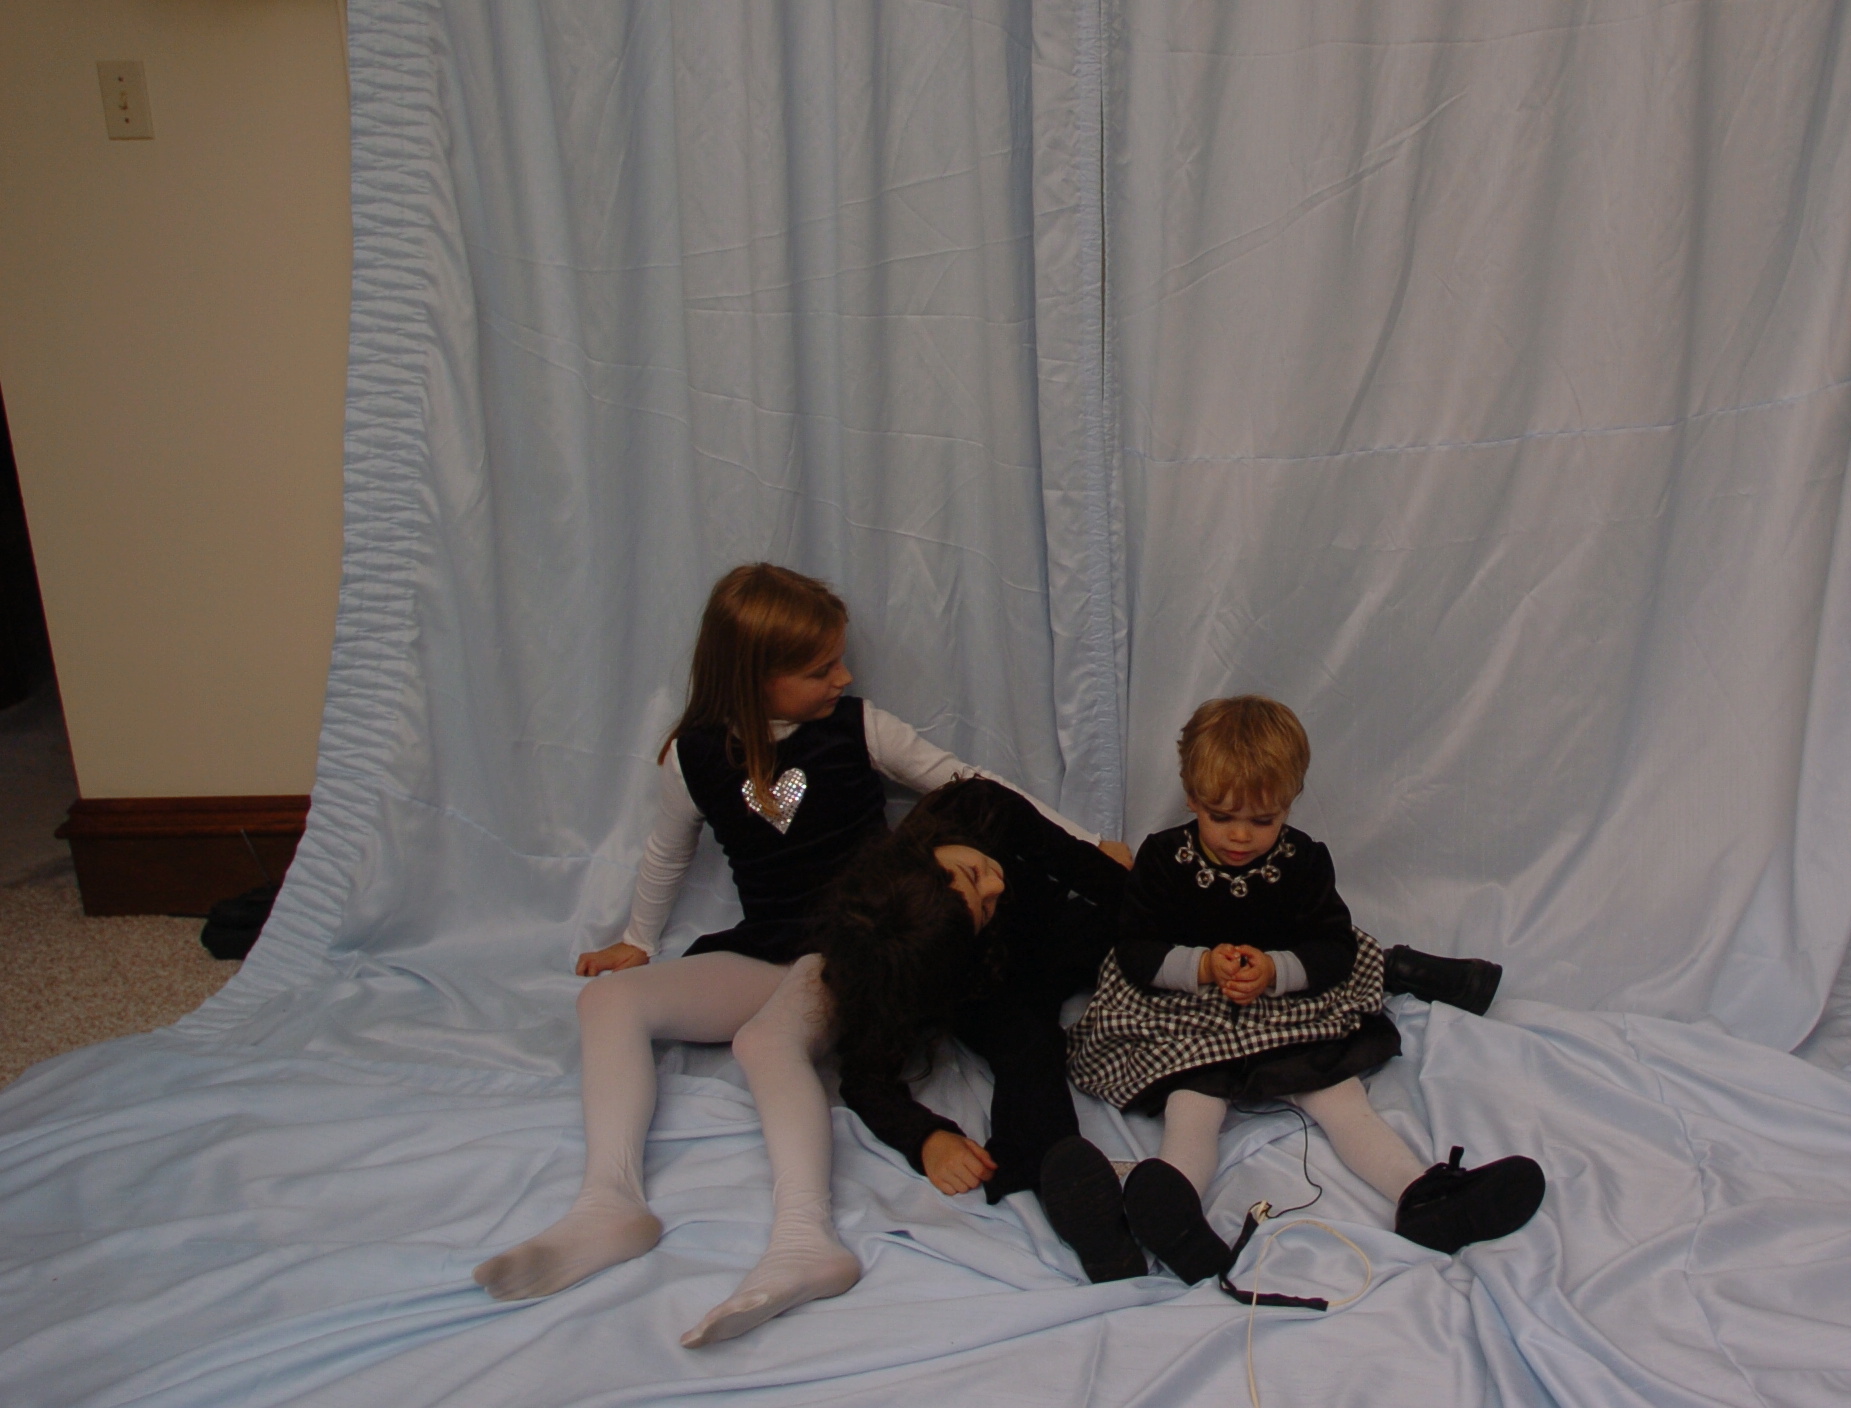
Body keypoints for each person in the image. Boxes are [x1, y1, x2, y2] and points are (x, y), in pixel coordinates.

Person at [471, 563, 1115, 1347]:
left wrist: (1089, 847)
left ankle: (806, 1237)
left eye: (838, 661)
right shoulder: (694, 757)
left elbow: (973, 785)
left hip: (856, 946)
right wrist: (638, 940)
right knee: (606, 1001)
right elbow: (667, 851)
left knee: (766, 1040)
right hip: (768, 946)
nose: (843, 677)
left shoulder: (858, 729)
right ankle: (608, 1201)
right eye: (820, 669)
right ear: (753, 677)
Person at [834, 776, 1512, 1284]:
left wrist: (1150, 900)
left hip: (1066, 929)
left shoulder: (974, 809)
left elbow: (1072, 862)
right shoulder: (912, 960)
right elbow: (864, 1073)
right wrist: (926, 1136)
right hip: (1003, 982)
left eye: (973, 873)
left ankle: (1394, 966)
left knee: (1212, 922)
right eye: (982, 907)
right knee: (1029, 1055)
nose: (994, 887)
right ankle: (1089, 1216)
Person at [1065, 697, 1545, 1282]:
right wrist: (1203, 966)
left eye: (1263, 821)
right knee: (1191, 1110)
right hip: (1187, 1013)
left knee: (1342, 1100)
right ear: (1191, 797)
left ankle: (1422, 1196)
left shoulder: (1304, 862)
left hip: (1283, 1008)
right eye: (1222, 816)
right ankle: (1173, 1212)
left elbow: (1332, 947)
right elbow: (1136, 948)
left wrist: (1275, 971)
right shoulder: (1164, 859)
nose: (1240, 836)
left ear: (1288, 805)